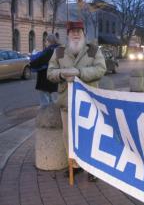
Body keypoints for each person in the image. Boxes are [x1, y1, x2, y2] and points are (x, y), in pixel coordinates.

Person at [47, 20, 107, 181]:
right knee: (69, 136)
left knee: (90, 135)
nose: (75, 34)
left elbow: (101, 70)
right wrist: (62, 73)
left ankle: (93, 168)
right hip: (67, 101)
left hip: (89, 102)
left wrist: (79, 72)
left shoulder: (93, 50)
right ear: (67, 34)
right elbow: (50, 72)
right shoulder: (59, 51)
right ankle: (75, 165)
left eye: (78, 31)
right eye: (72, 31)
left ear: (84, 34)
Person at [30, 34, 59, 107]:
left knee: (44, 100)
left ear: (49, 41)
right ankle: (52, 112)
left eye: (46, 41)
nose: (45, 43)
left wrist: (33, 59)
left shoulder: (49, 50)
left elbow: (40, 61)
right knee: (50, 97)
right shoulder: (58, 49)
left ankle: (45, 114)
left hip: (45, 78)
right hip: (52, 78)